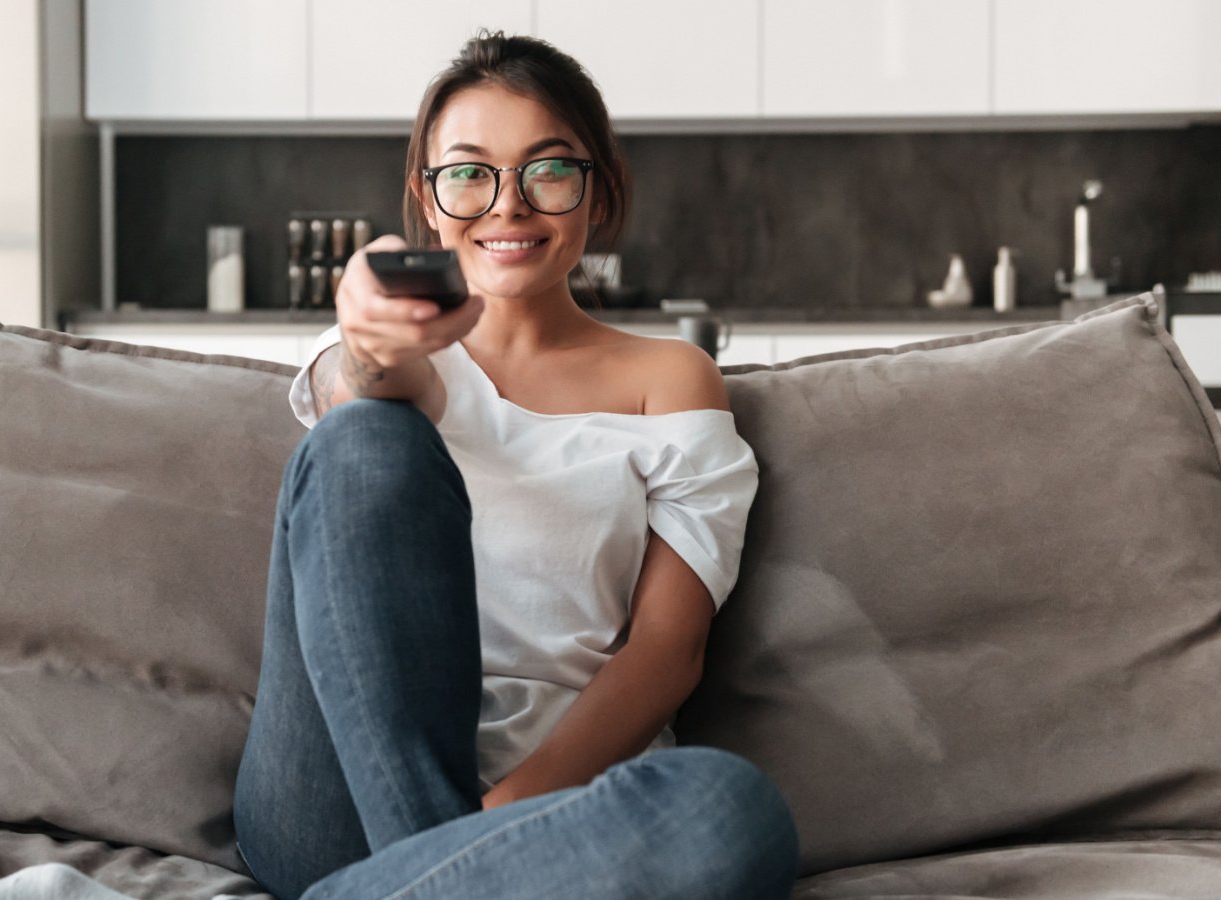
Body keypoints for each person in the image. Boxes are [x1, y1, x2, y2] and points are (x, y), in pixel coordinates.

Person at [232, 31, 799, 900]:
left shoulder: (670, 380)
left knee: (731, 810)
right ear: (426, 199)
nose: (507, 206)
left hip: (555, 812)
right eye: (468, 172)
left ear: (596, 190)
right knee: (360, 442)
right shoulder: (390, 352)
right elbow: (377, 389)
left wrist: (495, 829)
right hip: (332, 801)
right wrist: (370, 340)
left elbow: (666, 649)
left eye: (547, 169)